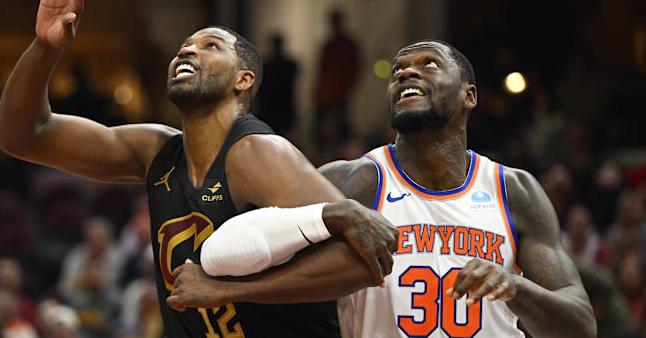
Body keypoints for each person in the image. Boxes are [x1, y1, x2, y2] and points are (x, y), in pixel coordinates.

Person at [0, 0, 397, 337]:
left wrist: (231, 291)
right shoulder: (155, 150)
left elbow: (360, 264)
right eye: (185, 45)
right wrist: (46, 48)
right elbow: (20, 135)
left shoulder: (258, 154)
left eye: (211, 46)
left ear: (244, 80)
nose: (187, 50)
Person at [167, 40, 597, 338]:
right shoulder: (353, 181)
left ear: (469, 96)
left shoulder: (514, 189)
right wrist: (229, 290)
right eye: (397, 71)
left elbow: (579, 325)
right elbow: (227, 252)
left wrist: (514, 286)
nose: (406, 71)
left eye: (429, 64)